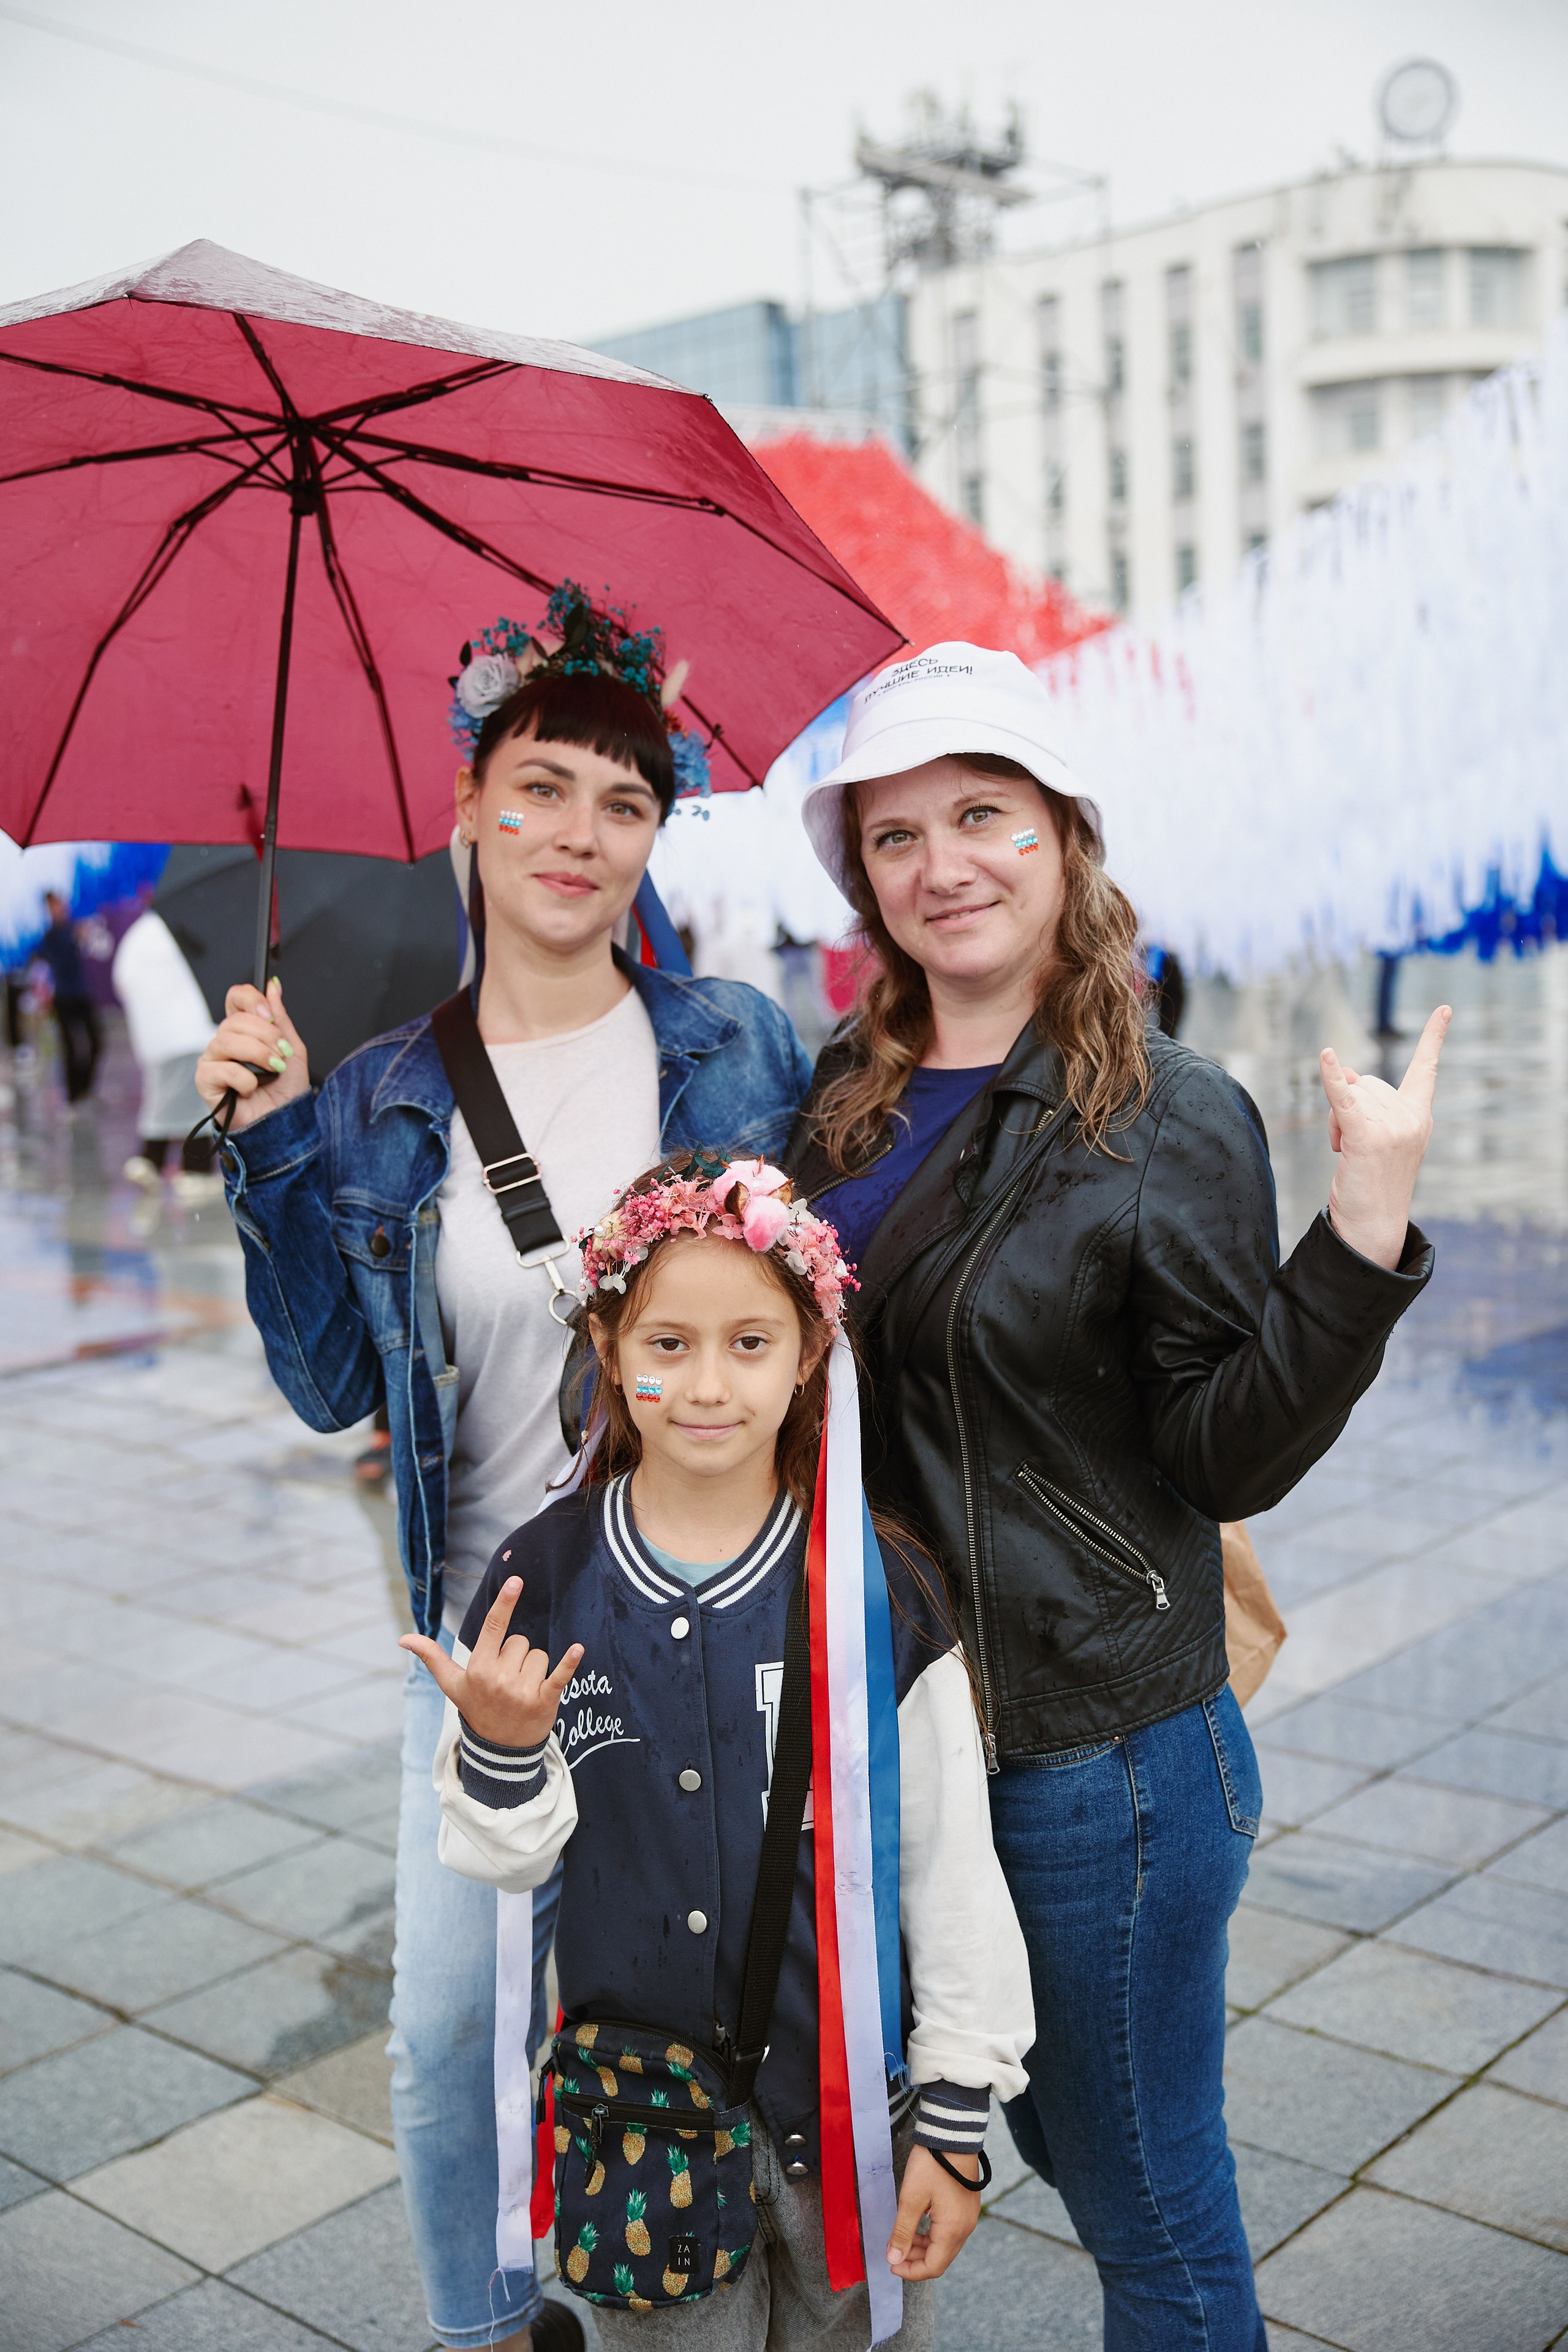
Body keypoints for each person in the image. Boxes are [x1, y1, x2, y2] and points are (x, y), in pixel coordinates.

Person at [784, 644, 1449, 2352]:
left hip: (1100, 1757)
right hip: (903, 1737)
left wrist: (1362, 1232)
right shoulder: (838, 1113)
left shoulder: (1165, 1114)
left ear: (1066, 836)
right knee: (1027, 2153)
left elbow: (1227, 1451)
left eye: (984, 814)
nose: (945, 866)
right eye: (898, 836)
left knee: (1139, 2199)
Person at [196, 611, 812, 2352]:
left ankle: (709, 2302)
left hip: (710, 1614)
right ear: (466, 806)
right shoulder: (386, 1093)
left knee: (713, 2011)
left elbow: (820, 1324)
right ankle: (482, 2328)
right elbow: (328, 1387)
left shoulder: (738, 1050)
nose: (578, 833)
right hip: (492, 1651)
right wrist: (269, 1152)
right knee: (449, 2034)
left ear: (654, 836)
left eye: (624, 801)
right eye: (539, 788)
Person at [403, 1150, 1034, 2349]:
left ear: (809, 1354)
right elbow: (501, 1861)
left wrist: (952, 2126)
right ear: (609, 1347)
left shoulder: (874, 1592)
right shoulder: (542, 1579)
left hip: (848, 2130)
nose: (706, 1384)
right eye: (666, 1344)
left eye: (749, 1343)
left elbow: (949, 1869)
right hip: (636, 2140)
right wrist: (494, 1749)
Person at [111, 907, 220, 1192]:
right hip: (194, 1032)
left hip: (157, 1038)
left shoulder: (139, 935)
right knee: (193, 1105)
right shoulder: (187, 928)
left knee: (168, 1099)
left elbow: (121, 979)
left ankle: (152, 1160)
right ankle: (190, 1168)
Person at [36, 888, 101, 1102]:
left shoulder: (75, 927)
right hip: (64, 997)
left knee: (96, 1042)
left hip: (82, 994)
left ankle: (85, 1088)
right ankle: (74, 1094)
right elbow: (58, 963)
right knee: (70, 1048)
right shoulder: (50, 936)